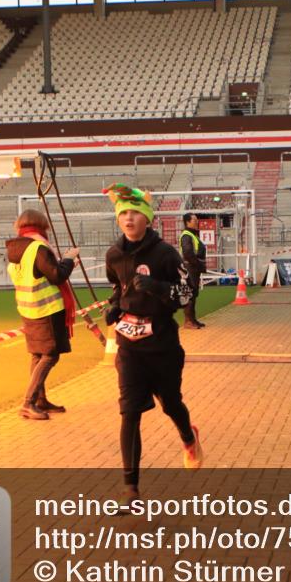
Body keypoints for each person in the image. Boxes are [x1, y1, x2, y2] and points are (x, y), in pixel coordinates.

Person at [102, 183, 203, 506]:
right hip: (129, 347)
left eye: (134, 213)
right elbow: (118, 288)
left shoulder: (165, 253)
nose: (128, 219)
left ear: (147, 218)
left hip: (162, 345)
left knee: (171, 404)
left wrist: (157, 286)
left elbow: (187, 294)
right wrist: (114, 306)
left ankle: (189, 437)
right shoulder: (113, 254)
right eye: (123, 214)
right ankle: (130, 489)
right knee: (129, 411)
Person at [5, 209, 80, 421]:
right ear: (42, 226)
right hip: (47, 310)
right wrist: (68, 259)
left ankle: (40, 400)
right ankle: (28, 403)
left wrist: (65, 264)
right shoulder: (38, 247)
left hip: (28, 309)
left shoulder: (16, 250)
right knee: (50, 354)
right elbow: (56, 275)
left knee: (37, 354)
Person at [179, 212, 207, 329]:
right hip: (190, 268)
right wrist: (198, 265)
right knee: (190, 294)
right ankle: (188, 321)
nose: (197, 222)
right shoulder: (186, 235)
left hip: (193, 267)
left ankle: (192, 319)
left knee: (193, 294)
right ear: (187, 222)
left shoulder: (192, 235)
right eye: (194, 220)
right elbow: (188, 253)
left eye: (197, 220)